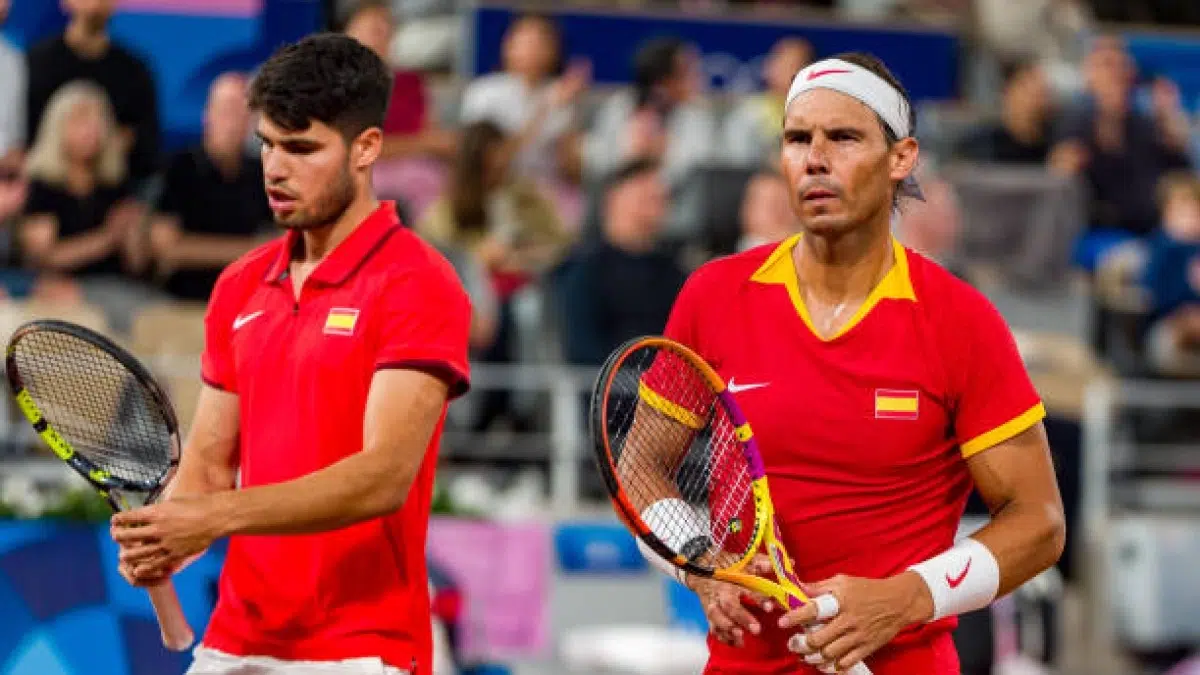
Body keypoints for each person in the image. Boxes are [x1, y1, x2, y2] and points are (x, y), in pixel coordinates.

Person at [640, 52, 1065, 674]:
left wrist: (903, 600)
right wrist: (702, 565)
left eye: (843, 137)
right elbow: (642, 467)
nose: (814, 158)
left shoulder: (961, 320)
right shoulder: (712, 296)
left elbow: (1040, 522)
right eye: (796, 138)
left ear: (901, 158)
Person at [109, 33, 472, 675]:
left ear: (366, 149)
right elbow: (209, 467)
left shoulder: (419, 282)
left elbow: (383, 476)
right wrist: (169, 535)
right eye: (267, 145)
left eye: (301, 148)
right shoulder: (239, 285)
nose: (275, 168)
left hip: (363, 647)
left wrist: (213, 517)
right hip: (237, 638)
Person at [149, 73, 272, 301]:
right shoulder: (179, 167)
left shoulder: (262, 170)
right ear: (208, 114)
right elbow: (167, 248)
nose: (235, 120)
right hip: (184, 299)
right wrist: (252, 251)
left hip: (248, 298)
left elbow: (283, 238)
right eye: (227, 109)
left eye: (243, 111)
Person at [26, 0, 161, 186]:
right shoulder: (37, 65)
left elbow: (146, 147)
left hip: (116, 191)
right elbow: (23, 139)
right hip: (44, 186)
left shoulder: (134, 72)